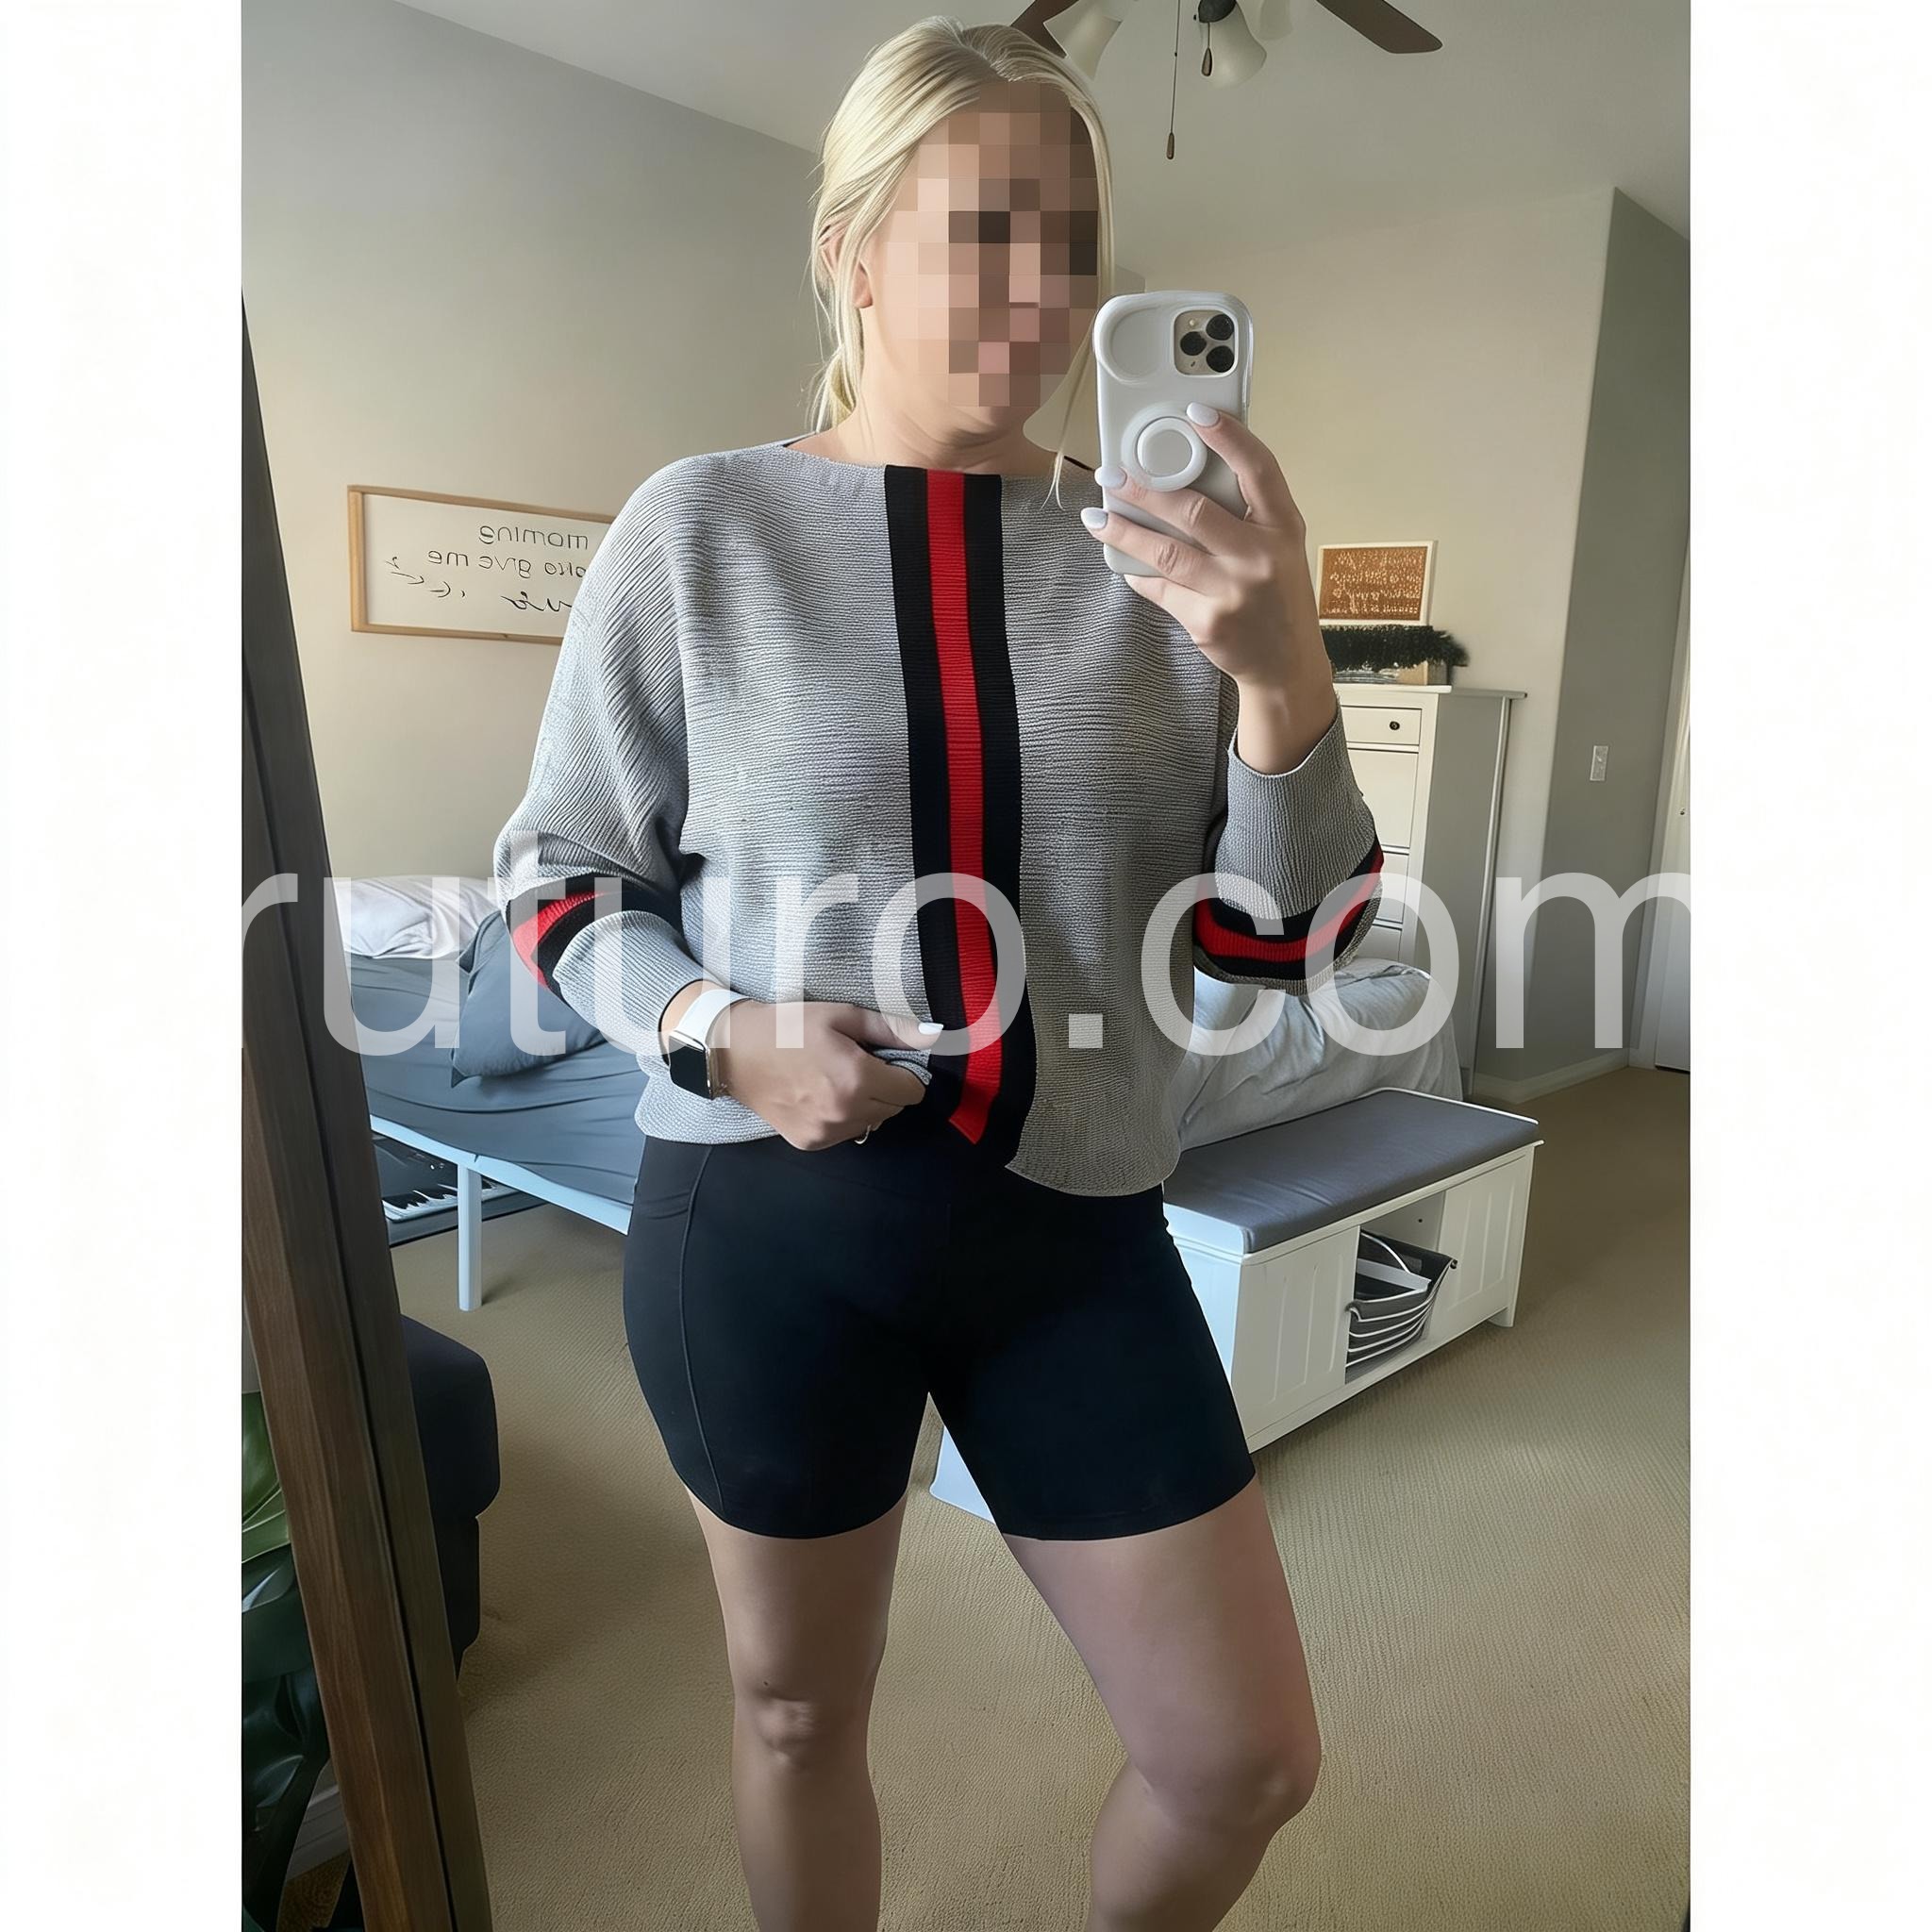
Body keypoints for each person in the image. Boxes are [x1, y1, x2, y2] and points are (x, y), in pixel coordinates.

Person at [493, 18, 1384, 1929]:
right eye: (984, 230)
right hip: (765, 1228)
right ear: (851, 249)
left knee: (1239, 1758)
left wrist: (1281, 668)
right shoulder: (701, 530)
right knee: (798, 1708)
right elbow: (556, 885)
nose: (1040, 292)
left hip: (1075, 1234)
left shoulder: (1164, 564)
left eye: (1071, 242)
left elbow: (1284, 946)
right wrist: (717, 1030)